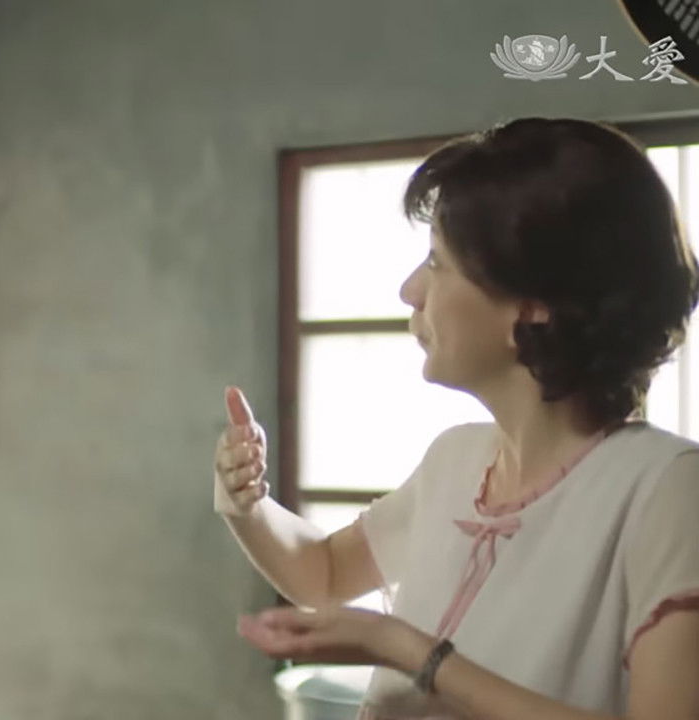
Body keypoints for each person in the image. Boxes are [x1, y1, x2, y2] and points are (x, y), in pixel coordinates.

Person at [213, 118, 699, 719]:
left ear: (534, 306)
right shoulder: (458, 458)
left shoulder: (666, 487)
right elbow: (325, 573)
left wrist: (409, 651)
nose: (410, 289)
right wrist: (247, 502)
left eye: (438, 262)